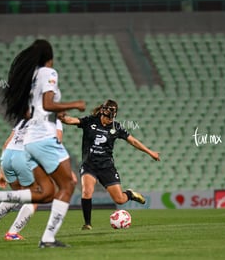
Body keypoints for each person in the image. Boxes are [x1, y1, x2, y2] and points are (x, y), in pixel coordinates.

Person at [0, 39, 85, 248]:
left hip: (28, 142)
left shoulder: (31, 77)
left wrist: (57, 111)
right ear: (49, 57)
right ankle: (47, 238)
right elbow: (47, 104)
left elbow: (32, 110)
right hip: (43, 138)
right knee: (69, 184)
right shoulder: (48, 73)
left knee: (45, 193)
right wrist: (75, 105)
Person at [60, 99, 160, 230]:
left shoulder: (116, 127)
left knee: (119, 199)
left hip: (106, 166)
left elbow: (133, 141)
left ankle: (130, 194)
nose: (110, 121)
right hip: (89, 165)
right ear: (103, 113)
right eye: (108, 118)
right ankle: (87, 223)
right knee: (87, 191)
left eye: (112, 118)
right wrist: (61, 116)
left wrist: (150, 152)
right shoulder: (90, 121)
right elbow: (71, 120)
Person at [0, 119, 75, 241]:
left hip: (7, 156)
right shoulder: (53, 119)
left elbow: (6, 143)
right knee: (36, 197)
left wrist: (1, 172)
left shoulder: (24, 119)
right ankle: (12, 232)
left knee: (20, 195)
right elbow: (56, 142)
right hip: (23, 157)